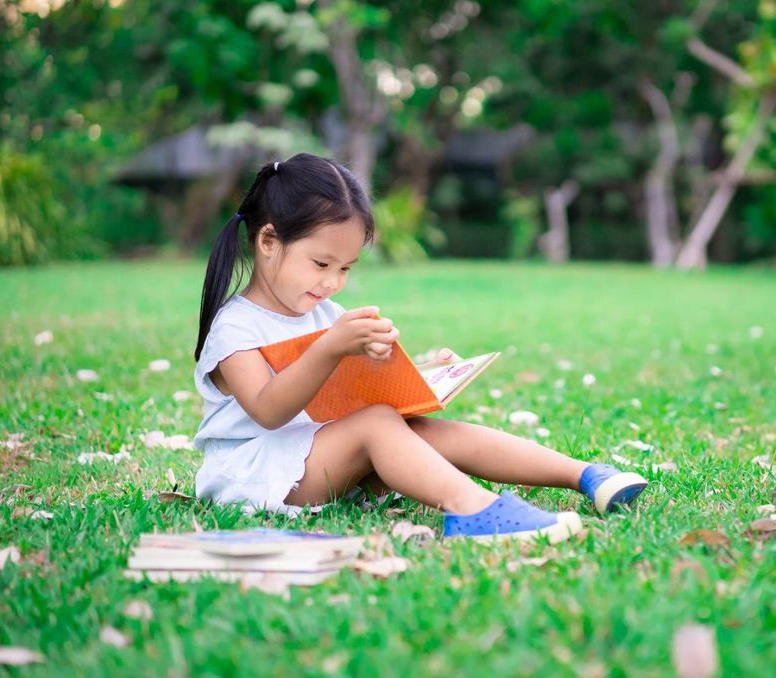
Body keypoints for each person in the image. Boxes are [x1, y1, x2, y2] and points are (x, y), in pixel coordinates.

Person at [191, 153, 648, 542]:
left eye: (346, 268)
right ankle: (474, 511)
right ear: (268, 241)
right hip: (255, 475)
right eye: (321, 263)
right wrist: (330, 348)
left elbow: (353, 394)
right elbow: (269, 411)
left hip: (315, 457)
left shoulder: (323, 314)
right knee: (377, 424)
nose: (332, 282)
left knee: (416, 426)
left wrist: (419, 376)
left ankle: (584, 475)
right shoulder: (237, 327)